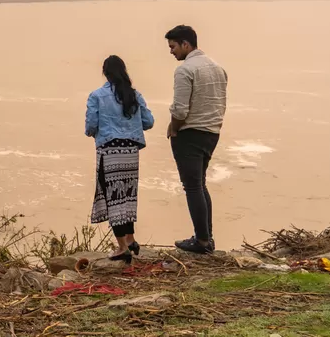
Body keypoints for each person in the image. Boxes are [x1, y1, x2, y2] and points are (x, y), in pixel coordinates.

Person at [165, 24, 229, 254]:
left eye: (173, 47)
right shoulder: (217, 68)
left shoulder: (185, 70)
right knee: (200, 185)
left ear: (185, 44)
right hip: (211, 133)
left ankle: (202, 241)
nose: (171, 51)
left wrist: (173, 128)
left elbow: (180, 110)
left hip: (190, 134)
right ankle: (207, 237)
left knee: (192, 187)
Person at [85, 55, 154, 262]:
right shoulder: (134, 95)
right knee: (127, 197)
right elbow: (148, 121)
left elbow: (90, 125)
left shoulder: (97, 96)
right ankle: (131, 239)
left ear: (105, 73)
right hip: (131, 152)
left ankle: (122, 247)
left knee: (114, 198)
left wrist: (95, 133)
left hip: (109, 151)